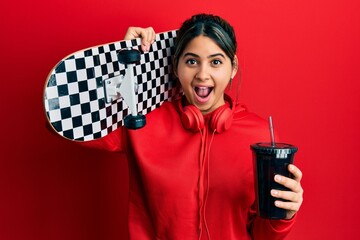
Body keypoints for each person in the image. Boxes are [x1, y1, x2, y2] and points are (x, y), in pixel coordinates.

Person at [84, 14, 304, 239]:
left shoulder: (259, 136)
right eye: (191, 61)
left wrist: (285, 216)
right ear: (176, 67)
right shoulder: (140, 121)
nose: (202, 74)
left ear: (233, 67)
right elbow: (65, 126)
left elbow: (263, 235)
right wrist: (117, 59)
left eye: (215, 62)